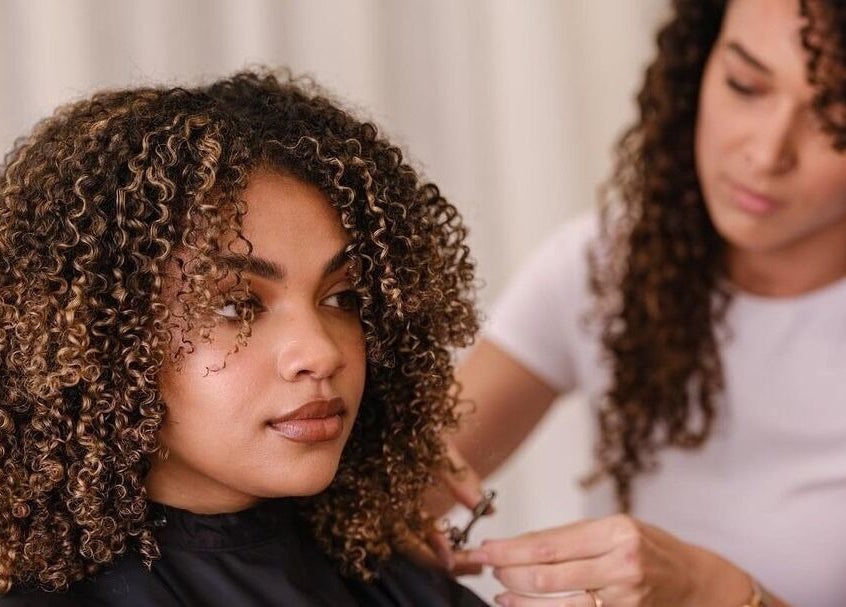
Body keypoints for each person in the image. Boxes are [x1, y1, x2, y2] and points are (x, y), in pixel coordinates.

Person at [0, 69, 487, 606]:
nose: (321, 353)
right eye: (237, 305)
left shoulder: (398, 581)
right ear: (98, 333)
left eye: (342, 298)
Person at [443, 0, 846, 605]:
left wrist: (712, 591)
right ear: (697, 63)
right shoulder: (610, 266)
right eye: (745, 85)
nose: (766, 155)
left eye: (834, 118)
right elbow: (412, 474)